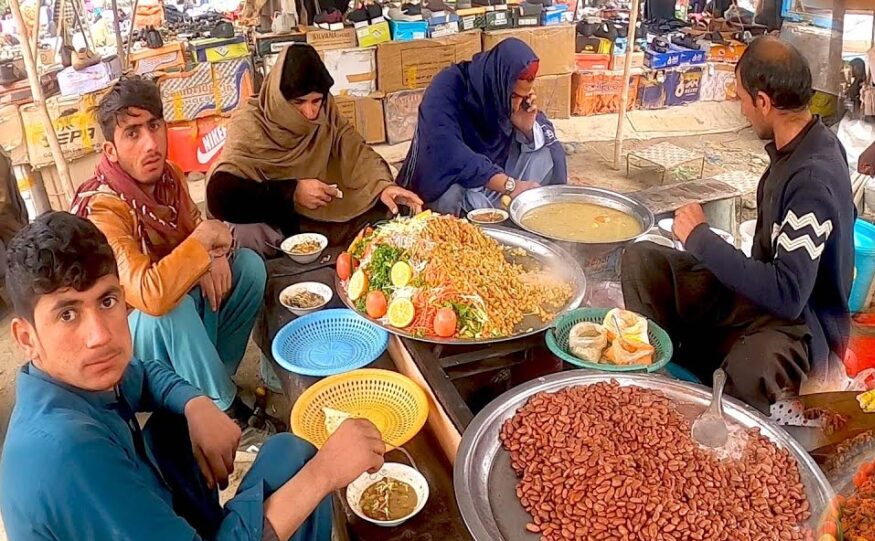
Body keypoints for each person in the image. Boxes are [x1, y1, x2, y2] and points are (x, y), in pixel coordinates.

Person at [0, 212, 390, 541]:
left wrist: (197, 404)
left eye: (107, 301)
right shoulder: (64, 453)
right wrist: (326, 472)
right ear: (26, 338)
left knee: (280, 451)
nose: (99, 336)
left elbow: (144, 374)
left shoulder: (69, 384)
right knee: (305, 473)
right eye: (67, 313)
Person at [621, 36, 854, 414]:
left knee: (751, 368)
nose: (741, 109)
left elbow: (788, 295)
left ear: (763, 102)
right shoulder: (800, 146)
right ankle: (660, 361)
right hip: (765, 300)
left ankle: (722, 408)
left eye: (742, 98)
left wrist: (701, 239)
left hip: (805, 328)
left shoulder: (812, 179)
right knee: (643, 261)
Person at [72, 75, 263, 422]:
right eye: (132, 133)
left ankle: (212, 381)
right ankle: (226, 411)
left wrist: (214, 256)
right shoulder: (103, 208)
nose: (150, 144)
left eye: (154, 126)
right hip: (128, 349)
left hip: (178, 324)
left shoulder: (170, 176)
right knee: (169, 307)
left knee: (249, 267)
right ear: (110, 151)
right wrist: (204, 248)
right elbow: (150, 293)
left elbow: (200, 235)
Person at [207, 44, 422, 256]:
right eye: (299, 102)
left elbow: (357, 152)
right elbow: (221, 194)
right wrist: (292, 193)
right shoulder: (250, 121)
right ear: (278, 97)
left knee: (391, 216)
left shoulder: (327, 113)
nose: (310, 112)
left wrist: (382, 186)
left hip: (328, 215)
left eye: (316, 101)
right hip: (279, 220)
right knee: (243, 232)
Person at [397, 38, 567, 215]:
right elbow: (447, 149)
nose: (518, 105)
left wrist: (526, 127)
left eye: (525, 97)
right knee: (449, 197)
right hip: (456, 177)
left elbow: (546, 133)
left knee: (547, 153)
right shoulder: (449, 85)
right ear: (500, 84)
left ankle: (524, 219)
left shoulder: (507, 95)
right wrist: (510, 185)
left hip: (495, 179)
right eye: (514, 96)